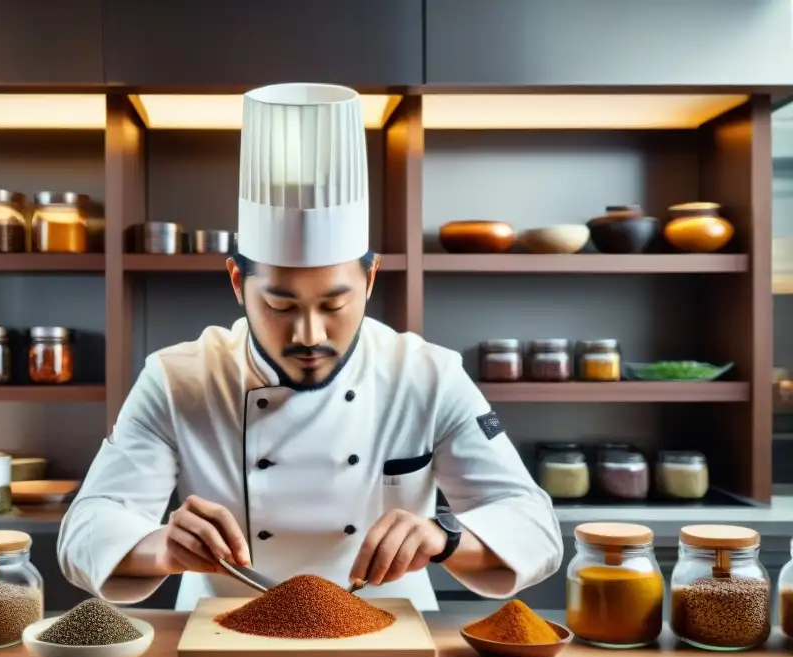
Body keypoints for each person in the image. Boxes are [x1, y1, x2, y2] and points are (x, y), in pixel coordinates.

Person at [58, 83, 563, 611]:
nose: (309, 335)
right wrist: (163, 547)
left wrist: (446, 537)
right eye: (279, 306)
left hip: (389, 636)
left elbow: (534, 526)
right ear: (237, 282)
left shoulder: (428, 376)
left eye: (334, 304)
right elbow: (85, 532)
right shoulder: (178, 379)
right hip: (220, 636)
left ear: (370, 279)